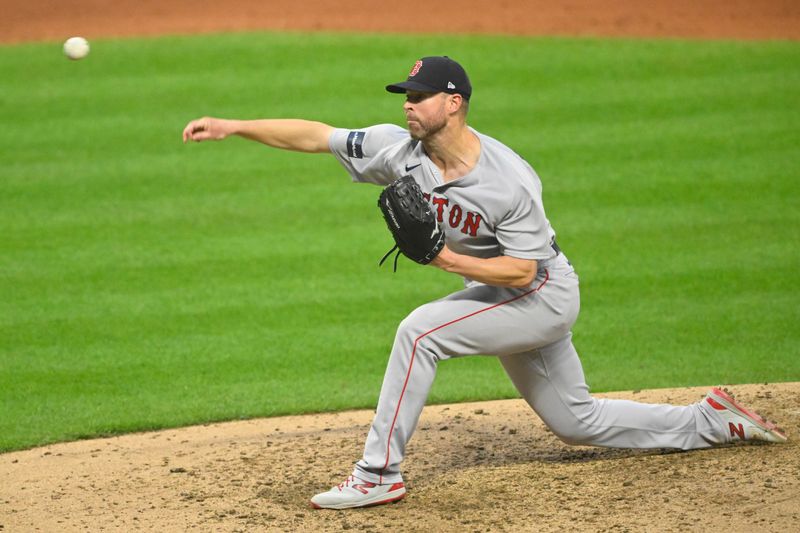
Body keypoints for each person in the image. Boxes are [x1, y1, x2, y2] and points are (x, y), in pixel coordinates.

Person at [182, 56, 787, 510]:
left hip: (541, 294)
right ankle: (711, 420)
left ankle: (377, 475)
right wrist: (234, 125)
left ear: (454, 102)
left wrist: (446, 261)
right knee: (577, 422)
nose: (407, 105)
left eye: (419, 96)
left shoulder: (509, 181)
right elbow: (319, 135)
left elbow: (522, 270)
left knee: (421, 332)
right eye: (405, 95)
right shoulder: (401, 149)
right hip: (508, 295)